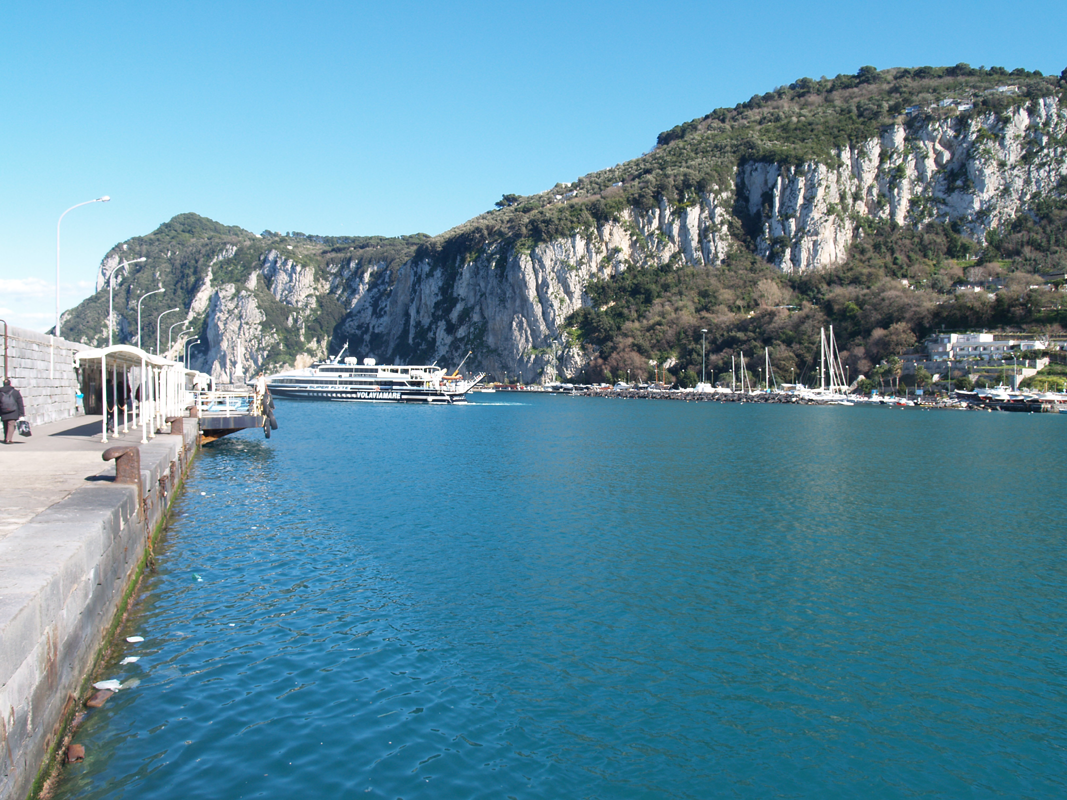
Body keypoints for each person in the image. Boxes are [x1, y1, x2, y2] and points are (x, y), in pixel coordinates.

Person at [1, 378, 25, 444]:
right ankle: (8, 439)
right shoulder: (15, 392)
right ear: (10, 384)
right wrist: (21, 414)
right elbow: (20, 403)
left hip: (3, 411)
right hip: (13, 412)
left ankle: (6, 437)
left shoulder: (0, 392)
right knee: (11, 424)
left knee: (5, 425)